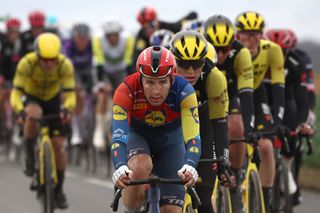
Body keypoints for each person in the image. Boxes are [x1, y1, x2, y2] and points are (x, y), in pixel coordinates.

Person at [111, 46, 201, 213]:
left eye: (162, 82)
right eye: (150, 82)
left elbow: (193, 138)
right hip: (137, 136)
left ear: (172, 78)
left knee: (171, 210)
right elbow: (118, 139)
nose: (156, 90)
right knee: (140, 166)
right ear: (140, 79)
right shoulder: (125, 90)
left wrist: (190, 165)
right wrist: (121, 166)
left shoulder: (185, 91)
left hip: (171, 141)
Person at [170, 30, 234, 212]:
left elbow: (219, 124)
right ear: (174, 61)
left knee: (204, 198)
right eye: (183, 64)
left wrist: (223, 163)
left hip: (204, 124)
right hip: (172, 125)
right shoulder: (165, 77)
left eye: (197, 64)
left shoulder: (214, 78)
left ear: (204, 61)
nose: (191, 71)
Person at [10, 32, 76, 209]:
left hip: (53, 101)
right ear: (37, 56)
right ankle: (30, 156)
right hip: (33, 98)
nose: (48, 64)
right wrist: (19, 111)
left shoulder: (65, 65)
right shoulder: (27, 63)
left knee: (58, 147)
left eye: (52, 60)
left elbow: (70, 94)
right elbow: (16, 92)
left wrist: (67, 108)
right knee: (33, 114)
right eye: (44, 60)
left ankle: (59, 189)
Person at [202, 15, 254, 212]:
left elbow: (247, 93)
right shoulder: (200, 50)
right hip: (205, 97)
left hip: (230, 95)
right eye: (216, 48)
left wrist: (248, 128)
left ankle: (237, 175)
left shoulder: (241, 53)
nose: (220, 54)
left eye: (225, 49)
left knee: (236, 127)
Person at [235, 11, 285, 213]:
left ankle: (265, 198)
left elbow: (279, 87)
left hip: (256, 95)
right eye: (247, 34)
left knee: (266, 146)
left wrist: (278, 121)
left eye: (257, 33)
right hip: (234, 96)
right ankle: (234, 178)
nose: (252, 38)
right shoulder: (233, 52)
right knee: (237, 133)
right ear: (237, 36)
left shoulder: (272, 50)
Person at [92, 18, 134, 149]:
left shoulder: (128, 39)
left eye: (115, 35)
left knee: (125, 95)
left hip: (120, 70)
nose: (113, 39)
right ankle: (98, 130)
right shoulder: (98, 40)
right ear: (105, 35)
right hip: (104, 71)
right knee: (102, 94)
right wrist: (100, 84)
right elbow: (99, 62)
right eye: (109, 36)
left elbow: (128, 62)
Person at [132, 6, 198, 69]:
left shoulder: (168, 27)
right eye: (144, 26)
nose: (148, 29)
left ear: (157, 20)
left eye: (151, 24)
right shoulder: (141, 37)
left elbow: (190, 17)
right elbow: (136, 60)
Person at [63, 23, 95, 147]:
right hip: (74, 71)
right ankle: (76, 131)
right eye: (79, 38)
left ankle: (93, 123)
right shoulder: (68, 46)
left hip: (88, 71)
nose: (82, 41)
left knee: (97, 92)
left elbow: (96, 65)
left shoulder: (92, 45)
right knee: (78, 94)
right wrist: (74, 86)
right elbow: (67, 69)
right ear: (73, 38)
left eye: (85, 38)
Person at [0, 17, 23, 146]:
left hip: (18, 78)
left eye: (16, 31)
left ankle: (18, 126)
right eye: (12, 31)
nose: (14, 34)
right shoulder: (2, 43)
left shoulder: (22, 44)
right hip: (4, 77)